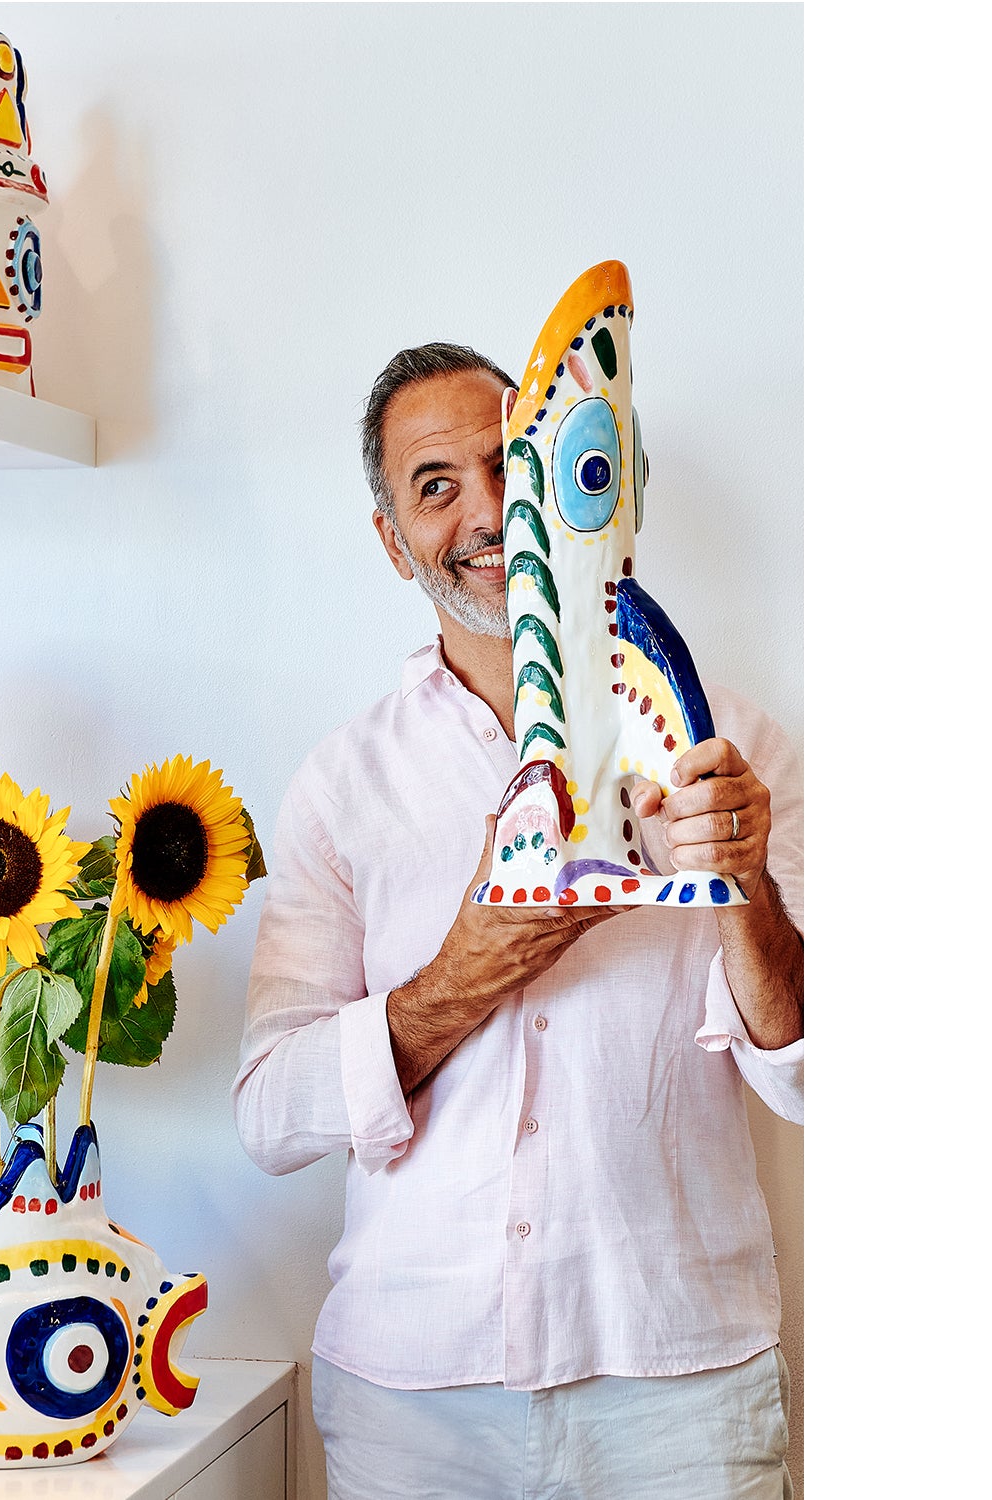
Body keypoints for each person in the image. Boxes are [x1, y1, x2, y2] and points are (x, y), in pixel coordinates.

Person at [231, 343, 803, 1499]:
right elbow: (270, 1115)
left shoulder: (726, 747)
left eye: (508, 465)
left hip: (681, 1389)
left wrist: (743, 882)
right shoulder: (344, 784)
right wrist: (463, 974)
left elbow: (821, 1077)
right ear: (394, 540)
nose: (488, 512)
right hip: (413, 1404)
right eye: (436, 485)